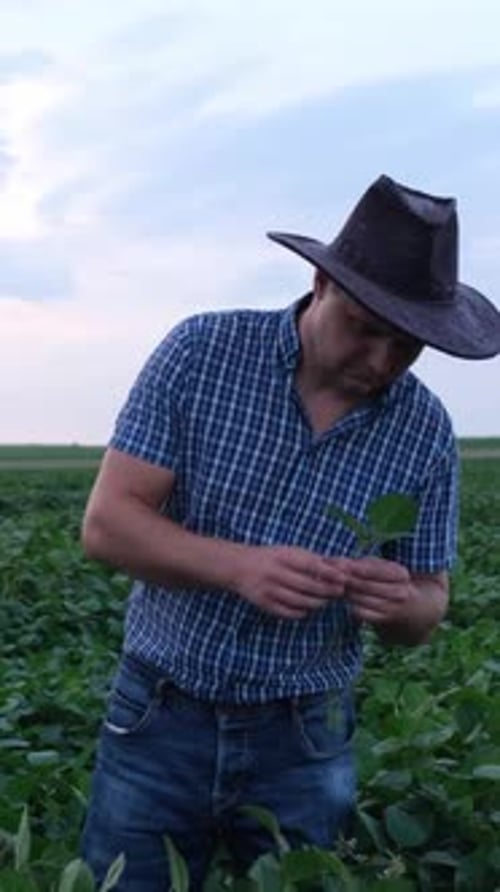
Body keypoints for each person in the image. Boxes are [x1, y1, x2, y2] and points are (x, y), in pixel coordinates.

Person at [80, 174, 500, 891]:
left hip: (305, 736)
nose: (380, 361)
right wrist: (238, 567)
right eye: (364, 329)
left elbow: (429, 603)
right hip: (160, 716)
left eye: (406, 346)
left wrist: (398, 603)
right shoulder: (203, 354)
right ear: (320, 284)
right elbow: (109, 525)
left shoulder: (424, 431)